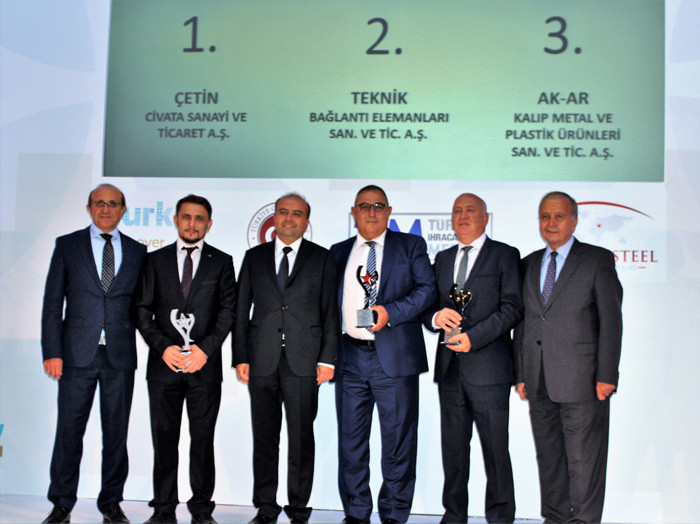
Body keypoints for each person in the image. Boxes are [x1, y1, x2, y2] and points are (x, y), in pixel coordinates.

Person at [514, 191, 623, 523]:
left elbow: (611, 320)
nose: (551, 223)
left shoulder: (596, 260)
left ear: (574, 221)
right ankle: (555, 519)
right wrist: (521, 374)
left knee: (583, 462)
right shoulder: (528, 264)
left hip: (584, 381)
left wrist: (607, 375)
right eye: (545, 216)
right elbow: (523, 323)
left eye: (559, 216)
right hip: (538, 380)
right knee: (549, 461)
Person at [330, 185, 437, 524]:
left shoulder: (411, 246)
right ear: (354, 212)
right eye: (364, 206)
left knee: (398, 444)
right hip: (349, 357)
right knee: (351, 444)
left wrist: (390, 312)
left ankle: (393, 514)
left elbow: (427, 290)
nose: (372, 211)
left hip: (395, 358)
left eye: (378, 205)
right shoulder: (337, 252)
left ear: (389, 211)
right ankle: (356, 513)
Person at [41, 184, 146, 524]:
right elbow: (53, 303)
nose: (105, 209)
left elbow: (142, 306)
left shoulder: (137, 251)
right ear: (89, 208)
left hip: (120, 356)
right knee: (69, 432)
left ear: (123, 210)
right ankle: (61, 504)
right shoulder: (68, 245)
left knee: (116, 434)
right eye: (99, 203)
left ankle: (111, 504)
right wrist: (52, 351)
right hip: (75, 355)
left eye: (113, 204)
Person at [233, 193, 339, 524]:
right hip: (261, 359)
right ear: (274, 217)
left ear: (306, 221)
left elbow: (330, 311)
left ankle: (298, 509)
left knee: (301, 439)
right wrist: (240, 356)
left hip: (304, 361)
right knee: (265, 439)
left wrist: (327, 359)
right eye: (283, 212)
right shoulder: (254, 257)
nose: (289, 218)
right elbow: (240, 309)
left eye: (296, 214)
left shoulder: (322, 258)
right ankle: (266, 507)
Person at [135, 194, 236, 524]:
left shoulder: (222, 262)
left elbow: (228, 312)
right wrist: (163, 348)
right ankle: (163, 510)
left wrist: (204, 350)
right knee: (164, 441)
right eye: (187, 217)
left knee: (202, 443)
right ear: (176, 220)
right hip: (163, 368)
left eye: (199, 218)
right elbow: (142, 310)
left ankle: (201, 511)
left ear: (209, 223)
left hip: (204, 369)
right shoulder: (154, 261)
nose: (192, 223)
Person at [423, 193, 522, 523]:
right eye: (457, 211)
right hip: (450, 370)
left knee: (495, 452)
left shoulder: (505, 255)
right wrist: (436, 317)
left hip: (489, 371)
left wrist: (473, 338)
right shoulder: (443, 258)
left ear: (485, 218)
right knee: (453, 453)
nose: (462, 216)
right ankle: (454, 517)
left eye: (470, 210)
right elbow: (428, 306)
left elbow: (512, 308)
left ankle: (501, 518)